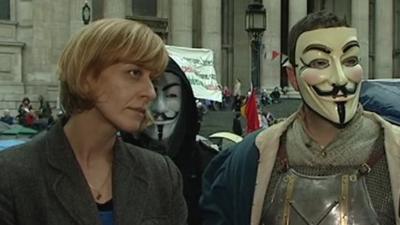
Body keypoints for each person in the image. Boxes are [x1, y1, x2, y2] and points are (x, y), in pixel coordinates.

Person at [200, 11, 400, 225]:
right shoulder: (249, 160)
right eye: (320, 63)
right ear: (292, 76)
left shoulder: (394, 152)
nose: (340, 79)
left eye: (350, 60)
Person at [0, 18, 186, 225]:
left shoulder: (161, 175)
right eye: (134, 73)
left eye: (152, 80)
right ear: (87, 76)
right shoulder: (11, 176)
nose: (151, 93)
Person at [121, 57, 218, 225]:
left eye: (172, 95)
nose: (160, 108)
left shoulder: (211, 167)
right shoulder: (109, 165)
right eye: (152, 94)